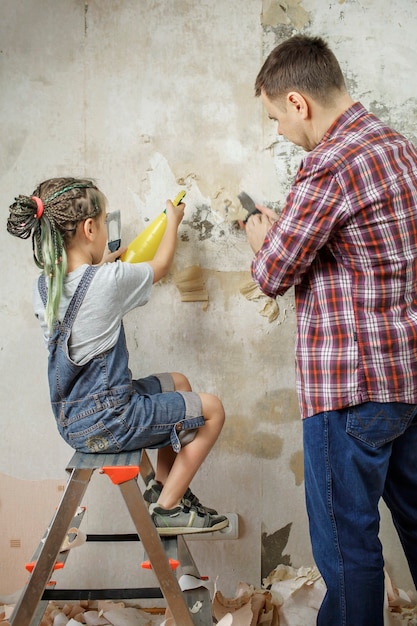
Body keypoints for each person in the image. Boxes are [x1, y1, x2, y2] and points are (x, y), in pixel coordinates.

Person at [245, 35, 417, 626]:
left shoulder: (329, 163)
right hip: (405, 380)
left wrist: (261, 237)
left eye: (275, 117)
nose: (279, 132)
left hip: (348, 389)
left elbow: (272, 273)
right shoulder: (399, 148)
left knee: (348, 552)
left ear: (298, 102)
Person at [7, 177, 228, 536]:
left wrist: (109, 263)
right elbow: (161, 265)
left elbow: (87, 285)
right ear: (90, 227)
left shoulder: (45, 286)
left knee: (179, 383)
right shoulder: (108, 281)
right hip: (114, 420)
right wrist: (172, 222)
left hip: (73, 421)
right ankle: (168, 508)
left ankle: (160, 487)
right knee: (213, 409)